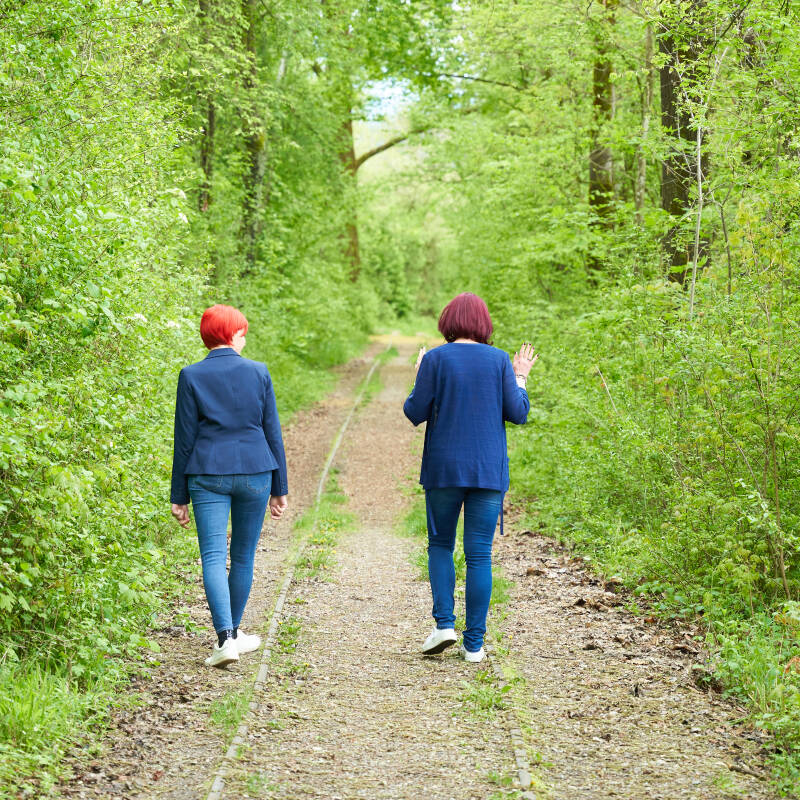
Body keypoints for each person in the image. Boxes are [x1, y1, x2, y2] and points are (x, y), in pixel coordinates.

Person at [403, 292, 537, 663]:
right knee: (479, 555)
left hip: (444, 469)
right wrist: (521, 376)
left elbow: (414, 411)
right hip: (487, 471)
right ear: (483, 323)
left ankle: (444, 625)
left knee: (440, 544)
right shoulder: (499, 360)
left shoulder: (435, 359)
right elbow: (518, 413)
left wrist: (420, 375)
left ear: (448, 321)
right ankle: (474, 645)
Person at [170, 304, 289, 668]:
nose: (245, 339)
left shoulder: (191, 375)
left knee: (212, 555)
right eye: (243, 332)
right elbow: (272, 431)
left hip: (207, 474)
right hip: (256, 471)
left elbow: (184, 439)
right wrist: (280, 487)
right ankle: (233, 634)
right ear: (233, 334)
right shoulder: (258, 372)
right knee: (243, 556)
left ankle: (226, 639)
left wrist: (178, 496)